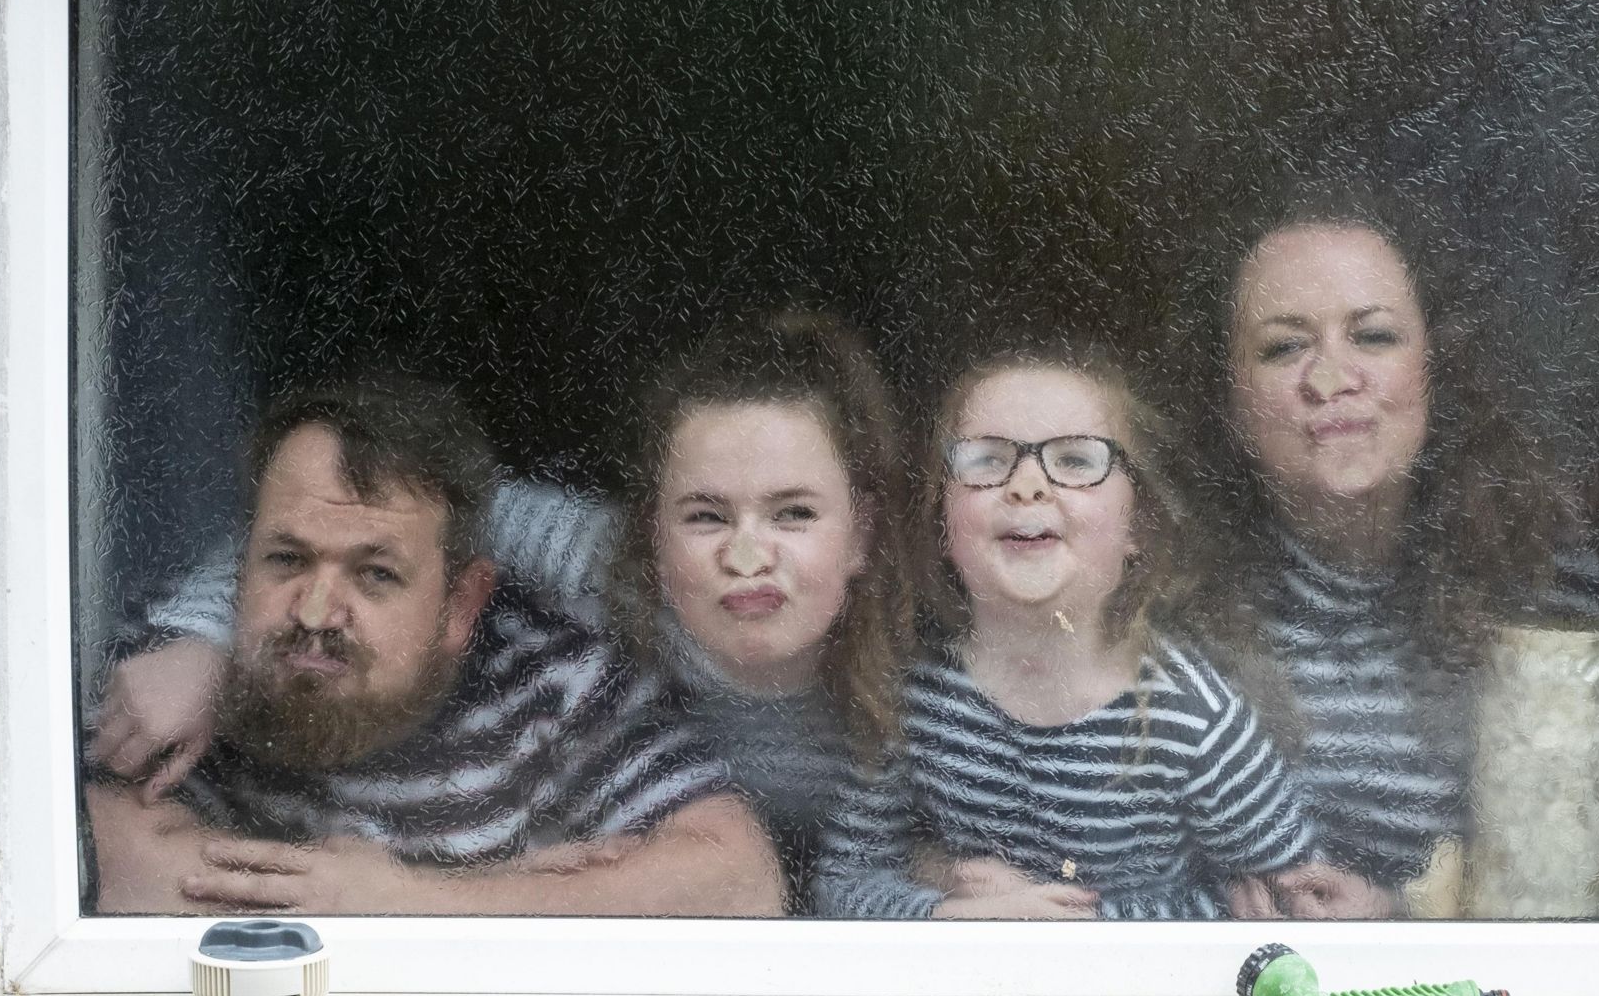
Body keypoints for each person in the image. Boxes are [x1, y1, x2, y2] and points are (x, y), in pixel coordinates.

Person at [83, 378, 782, 915]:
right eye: (288, 560)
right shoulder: (175, 675)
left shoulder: (548, 677)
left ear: (461, 604)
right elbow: (133, 874)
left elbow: (738, 882)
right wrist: (521, 890)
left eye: (375, 573)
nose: (318, 611)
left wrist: (412, 901)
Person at [1191, 187, 1599, 919]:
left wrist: (1400, 919)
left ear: (1437, 363)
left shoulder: (1549, 594)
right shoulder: (1168, 607)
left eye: (1373, 336)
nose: (1331, 379)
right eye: (1284, 346)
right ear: (1231, 398)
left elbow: (1585, 896)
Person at [810, 346, 1314, 920]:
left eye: (1076, 460)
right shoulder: (914, 699)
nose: (1027, 485)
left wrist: (1080, 930)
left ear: (1139, 525)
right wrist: (950, 915)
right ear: (942, 524)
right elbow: (841, 883)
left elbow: (1296, 905)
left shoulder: (1193, 721)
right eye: (984, 460)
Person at [610, 310, 913, 907]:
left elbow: (862, 885)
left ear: (862, 536)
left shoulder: (906, 686)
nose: (746, 557)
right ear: (653, 539)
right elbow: (448, 508)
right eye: (706, 516)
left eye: (794, 513)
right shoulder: (605, 577)